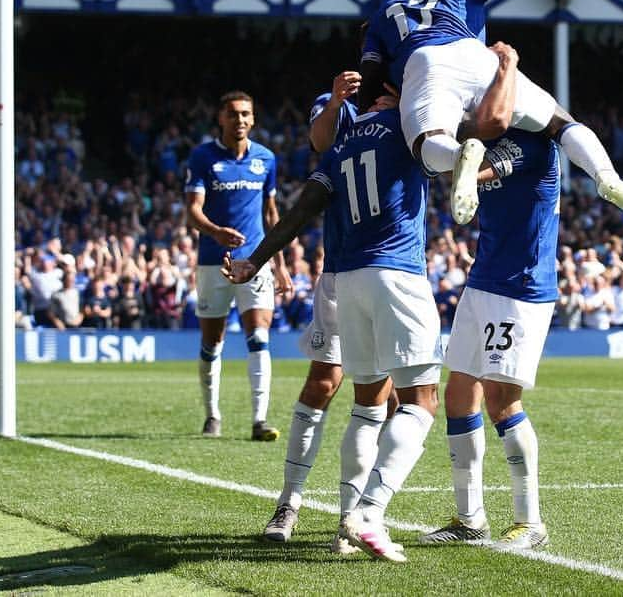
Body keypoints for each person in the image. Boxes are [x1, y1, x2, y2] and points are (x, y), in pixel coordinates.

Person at [223, 105, 441, 564]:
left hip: (352, 275)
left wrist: (257, 260)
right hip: (371, 273)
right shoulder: (395, 122)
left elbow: (303, 206)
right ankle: (313, 505)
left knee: (373, 403)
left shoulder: (347, 139)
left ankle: (347, 520)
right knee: (403, 399)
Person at [357, 0, 623, 229]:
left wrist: (397, 101)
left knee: (427, 145)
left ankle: (460, 154)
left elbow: (369, 86)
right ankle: (606, 177)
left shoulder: (382, 13)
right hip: (477, 54)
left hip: (425, 62)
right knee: (560, 123)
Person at [419, 42, 555, 551]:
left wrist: (507, 66)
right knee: (459, 394)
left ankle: (530, 521)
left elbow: (481, 173)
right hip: (485, 280)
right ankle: (469, 519)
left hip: (521, 287)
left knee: (501, 399)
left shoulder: (538, 140)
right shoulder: (490, 135)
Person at [262, 69, 397, 552]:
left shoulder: (403, 119)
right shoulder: (346, 119)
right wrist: (340, 101)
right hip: (343, 272)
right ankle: (289, 501)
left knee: (389, 399)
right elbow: (320, 139)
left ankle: (355, 513)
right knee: (325, 382)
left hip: (391, 272)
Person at [184, 90, 291, 441]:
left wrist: (280, 263)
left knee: (259, 337)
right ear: (221, 118)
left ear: (253, 119)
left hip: (254, 263)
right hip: (213, 263)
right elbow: (193, 211)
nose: (240, 120)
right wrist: (215, 232)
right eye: (233, 114)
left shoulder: (266, 159)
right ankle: (212, 415)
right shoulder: (203, 157)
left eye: (246, 114)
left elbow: (272, 215)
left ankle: (259, 420)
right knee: (211, 343)